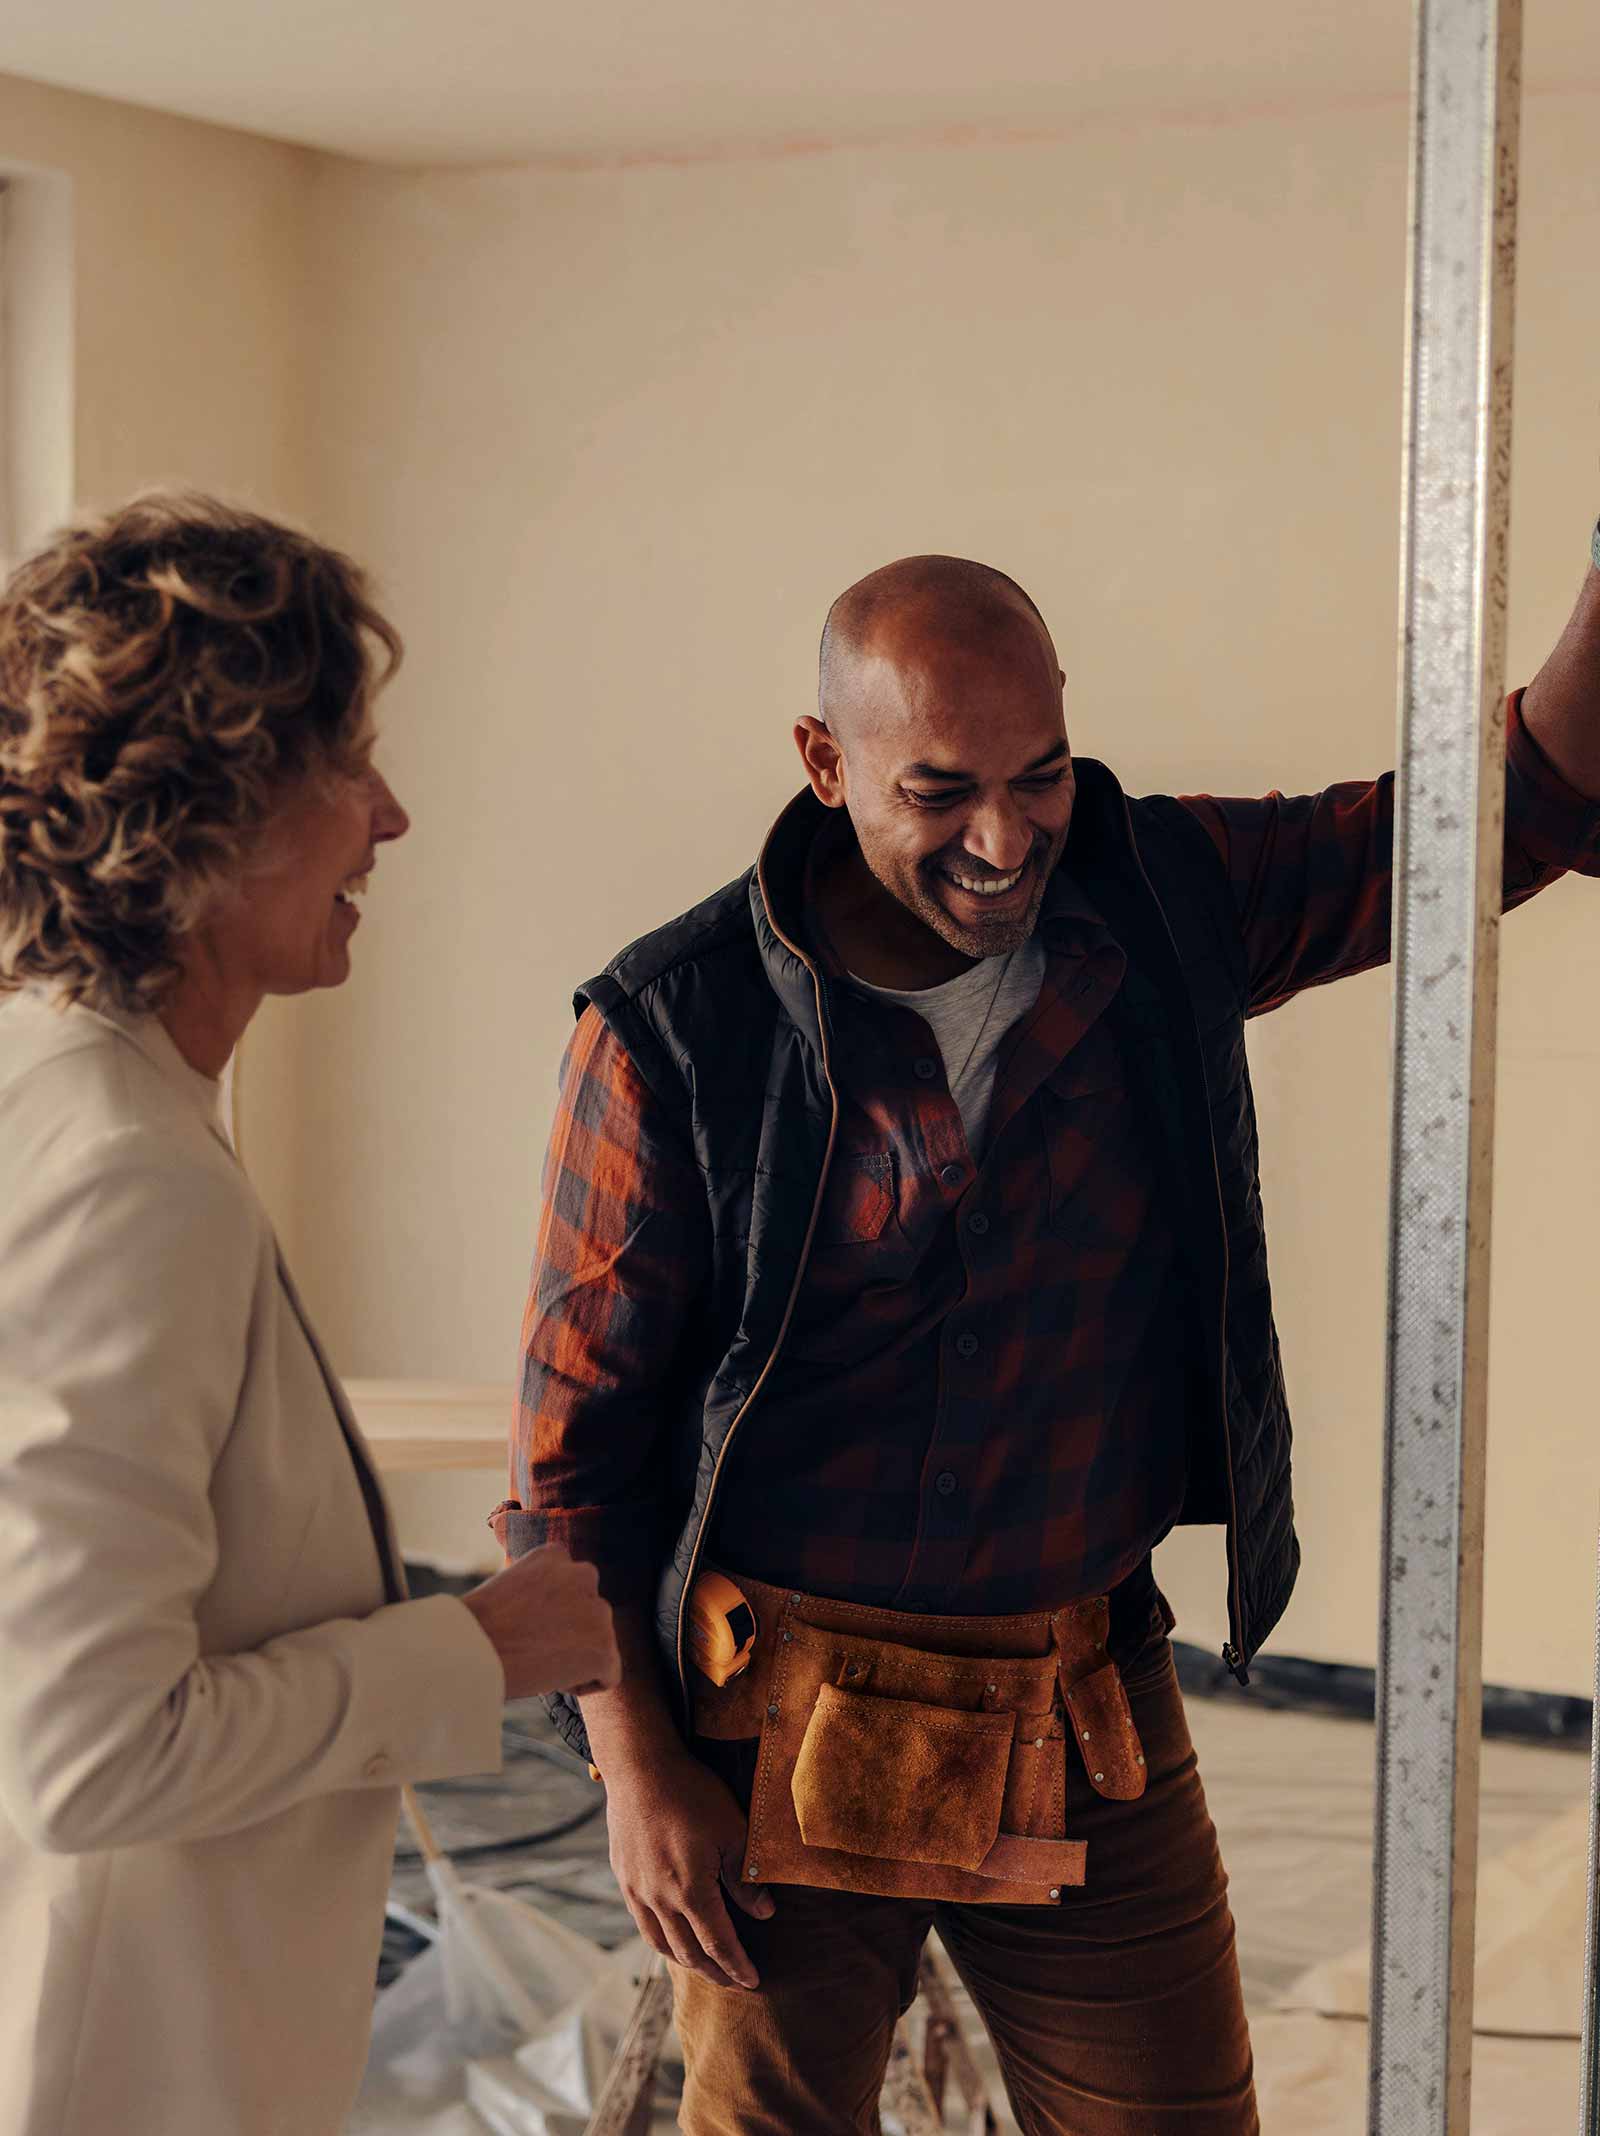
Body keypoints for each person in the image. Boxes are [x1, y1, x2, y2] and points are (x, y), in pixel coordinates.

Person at [494, 537, 1600, 2133]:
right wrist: (637, 1773)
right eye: (939, 791)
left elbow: (1505, 812)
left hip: (1083, 1708)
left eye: (1042, 775)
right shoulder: (674, 1030)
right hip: (768, 1731)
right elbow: (570, 1468)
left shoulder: (1160, 900)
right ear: (825, 761)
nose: (1004, 839)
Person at [0, 494, 620, 2136]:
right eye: (350, 762)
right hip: (115, 2073)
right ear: (211, 808)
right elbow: (87, 1755)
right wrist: (481, 1649)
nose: (392, 817)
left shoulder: (73, 1099)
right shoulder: (125, 1177)